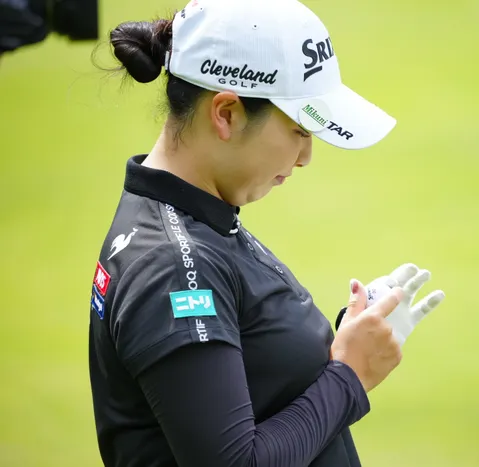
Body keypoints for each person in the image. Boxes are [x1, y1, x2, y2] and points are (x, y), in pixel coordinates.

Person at [88, 0, 443, 466]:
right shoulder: (174, 266)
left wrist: (352, 338)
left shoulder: (202, 220)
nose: (306, 157)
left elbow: (258, 376)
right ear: (227, 113)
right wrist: (350, 374)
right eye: (300, 130)